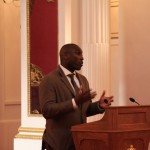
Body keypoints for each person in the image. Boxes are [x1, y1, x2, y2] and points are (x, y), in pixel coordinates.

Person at [39, 43, 114, 150]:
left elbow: (83, 111)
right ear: (65, 55)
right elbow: (47, 111)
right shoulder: (49, 80)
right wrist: (74, 102)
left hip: (80, 142)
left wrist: (99, 106)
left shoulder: (83, 80)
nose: (82, 58)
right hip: (58, 144)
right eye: (78, 54)